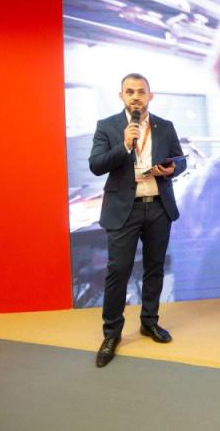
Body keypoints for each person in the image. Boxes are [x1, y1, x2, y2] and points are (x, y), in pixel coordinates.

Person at [89, 73, 186, 367]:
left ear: (149, 96)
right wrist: (124, 145)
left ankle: (149, 321)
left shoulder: (165, 126)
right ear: (121, 96)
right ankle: (111, 334)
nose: (135, 97)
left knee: (155, 268)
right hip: (124, 209)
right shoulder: (107, 126)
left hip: (158, 207)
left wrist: (172, 169)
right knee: (118, 271)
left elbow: (180, 160)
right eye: (129, 91)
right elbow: (96, 165)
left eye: (141, 91)